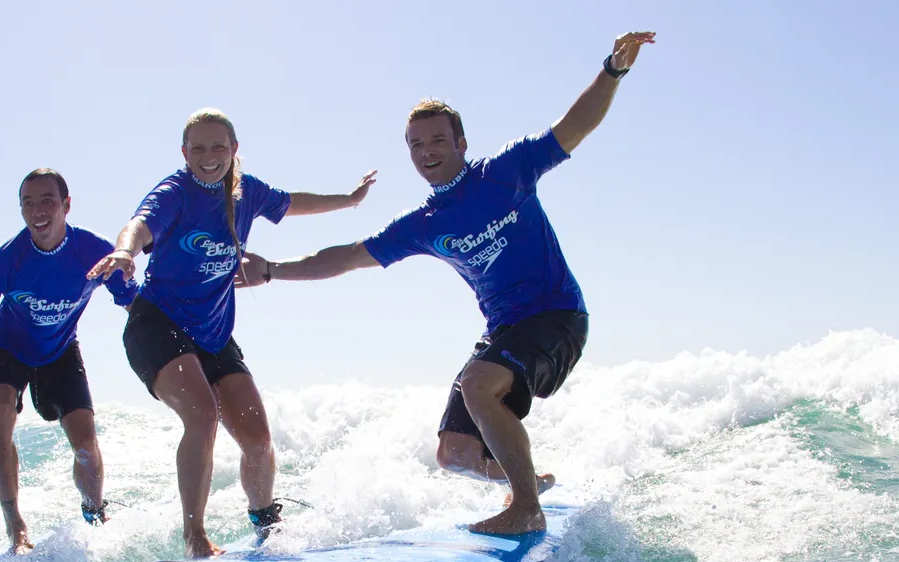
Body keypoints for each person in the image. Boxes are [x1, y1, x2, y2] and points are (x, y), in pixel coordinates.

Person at [234, 32, 656, 535]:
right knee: (455, 454)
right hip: (505, 329)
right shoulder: (423, 223)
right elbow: (345, 258)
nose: (426, 151)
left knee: (479, 385)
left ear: (461, 143)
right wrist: (272, 270)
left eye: (437, 140)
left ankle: (525, 509)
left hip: (557, 316)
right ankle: (529, 481)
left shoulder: (507, 171)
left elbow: (575, 125)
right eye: (416, 144)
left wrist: (612, 70)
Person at [87, 108, 377, 558]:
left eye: (218, 147)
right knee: (202, 417)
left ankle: (266, 524)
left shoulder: (247, 191)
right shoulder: (174, 192)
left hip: (214, 333)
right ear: (184, 153)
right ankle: (195, 537)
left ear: (234, 149)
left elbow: (293, 202)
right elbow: (139, 224)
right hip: (157, 324)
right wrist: (125, 251)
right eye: (198, 148)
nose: (209, 157)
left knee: (258, 440)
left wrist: (350, 199)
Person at [0, 168, 139, 553]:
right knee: (1, 410)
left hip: (61, 351)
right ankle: (14, 523)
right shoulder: (3, 262)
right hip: (7, 348)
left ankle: (94, 511)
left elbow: (138, 307)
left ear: (66, 205)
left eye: (47, 200)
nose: (37, 210)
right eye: (28, 203)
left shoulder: (93, 252)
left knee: (85, 445)